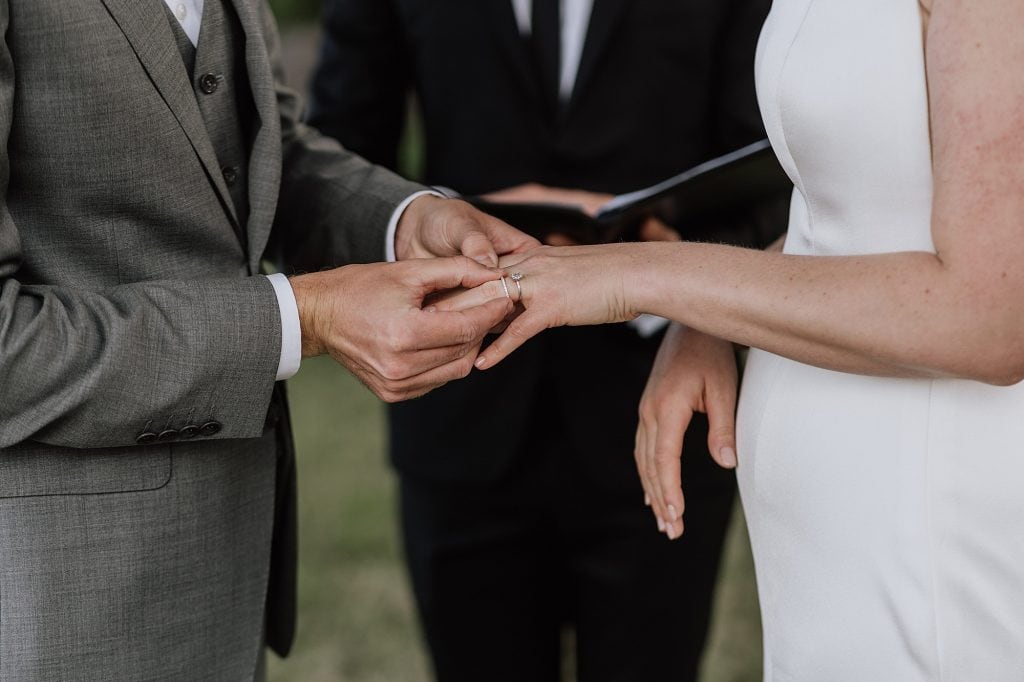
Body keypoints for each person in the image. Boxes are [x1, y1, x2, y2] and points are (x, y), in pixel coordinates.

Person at [440, 0, 1024, 677]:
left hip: (928, 512)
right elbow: (848, 213)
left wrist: (651, 275)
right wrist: (709, 318)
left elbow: (992, 316)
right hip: (830, 530)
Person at [0, 0, 536, 679]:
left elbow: (262, 148)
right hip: (55, 603)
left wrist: (404, 221)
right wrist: (303, 317)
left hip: (224, 572)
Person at [308, 1, 775, 679]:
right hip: (461, 413)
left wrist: (670, 265)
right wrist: (445, 217)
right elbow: (339, 151)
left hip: (659, 409)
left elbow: (774, 167)